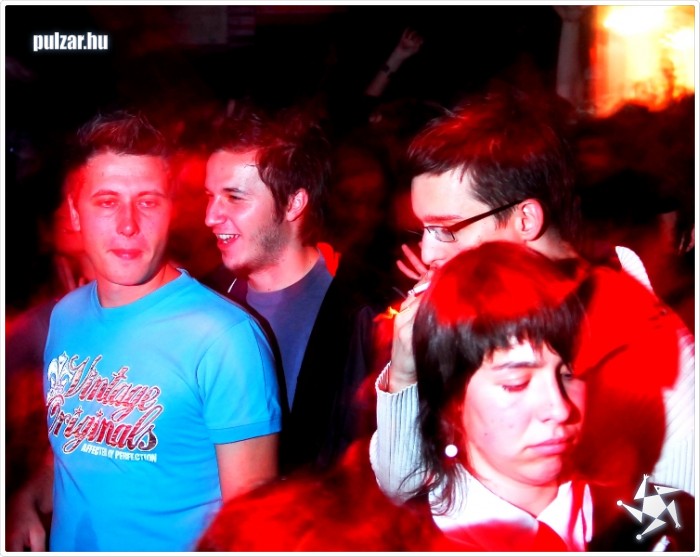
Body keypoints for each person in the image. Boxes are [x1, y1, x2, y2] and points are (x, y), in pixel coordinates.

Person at [369, 89, 695, 504]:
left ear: (525, 219)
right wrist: (405, 375)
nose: (429, 251)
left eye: (446, 229)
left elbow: (678, 513)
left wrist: (602, 495)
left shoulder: (638, 342)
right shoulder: (484, 315)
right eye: (424, 230)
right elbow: (403, 486)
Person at [6, 111, 282, 552]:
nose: (128, 224)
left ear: (171, 210)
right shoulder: (66, 315)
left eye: (148, 201)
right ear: (75, 213)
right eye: (107, 201)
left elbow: (251, 530)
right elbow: (80, 444)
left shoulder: (226, 339)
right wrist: (26, 498)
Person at [407, 241, 694, 551]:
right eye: (517, 383)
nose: (559, 408)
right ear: (452, 397)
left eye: (570, 374)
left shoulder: (658, 513)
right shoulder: (405, 540)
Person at [204, 103, 378, 474]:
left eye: (234, 197)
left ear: (293, 203)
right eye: (209, 196)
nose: (210, 217)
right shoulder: (203, 301)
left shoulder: (361, 315)